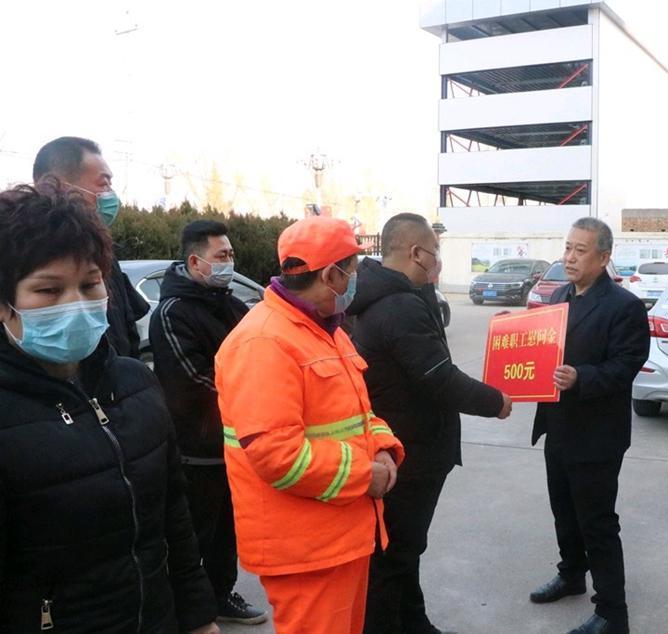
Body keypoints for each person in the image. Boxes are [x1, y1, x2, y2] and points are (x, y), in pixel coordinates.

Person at [0, 184, 218, 633]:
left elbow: (174, 516)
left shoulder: (136, 383)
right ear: (5, 306)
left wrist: (199, 617)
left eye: (89, 284)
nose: (76, 304)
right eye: (48, 290)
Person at [215, 216, 405, 634]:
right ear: (331, 275)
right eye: (352, 269)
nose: (356, 279)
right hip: (305, 550)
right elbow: (276, 454)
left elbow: (358, 414)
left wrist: (384, 447)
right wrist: (366, 475)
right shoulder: (264, 341)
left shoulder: (325, 330)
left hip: (341, 537)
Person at [347, 213, 513, 634]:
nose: (438, 261)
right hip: (411, 450)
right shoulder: (398, 306)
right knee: (395, 555)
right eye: (435, 253)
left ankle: (413, 621)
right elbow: (438, 377)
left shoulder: (388, 294)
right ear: (416, 252)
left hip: (400, 442)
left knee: (403, 549)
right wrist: (495, 401)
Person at [529, 217, 649, 634]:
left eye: (580, 250)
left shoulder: (624, 306)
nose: (570, 257)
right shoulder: (559, 296)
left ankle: (612, 612)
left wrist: (582, 377)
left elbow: (627, 365)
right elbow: (544, 349)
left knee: (597, 523)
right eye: (567, 248)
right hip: (558, 425)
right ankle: (571, 574)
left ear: (603, 257)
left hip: (597, 435)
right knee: (563, 511)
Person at [148, 220, 267, 624]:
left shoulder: (231, 306)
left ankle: (220, 595)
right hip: (195, 447)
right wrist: (256, 396)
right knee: (193, 533)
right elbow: (194, 380)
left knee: (227, 530)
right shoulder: (172, 313)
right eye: (221, 256)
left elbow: (262, 355)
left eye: (230, 254)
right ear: (195, 262)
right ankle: (185, 609)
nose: (229, 262)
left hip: (234, 442)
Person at [33, 137, 150, 358]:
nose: (110, 194)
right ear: (56, 184)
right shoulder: (20, 254)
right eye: (103, 183)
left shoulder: (105, 256)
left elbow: (126, 332)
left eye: (90, 285)